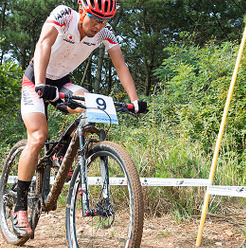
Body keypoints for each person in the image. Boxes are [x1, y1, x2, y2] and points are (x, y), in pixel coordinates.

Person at [12, 0, 147, 238]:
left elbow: (120, 63)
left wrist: (134, 100)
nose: (98, 25)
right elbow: (43, 43)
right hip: (36, 79)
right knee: (38, 136)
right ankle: (19, 207)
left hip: (63, 81)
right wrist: (42, 84)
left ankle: (62, 151)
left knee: (89, 102)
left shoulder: (105, 31)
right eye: (94, 18)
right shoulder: (64, 15)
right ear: (82, 11)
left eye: (104, 20)